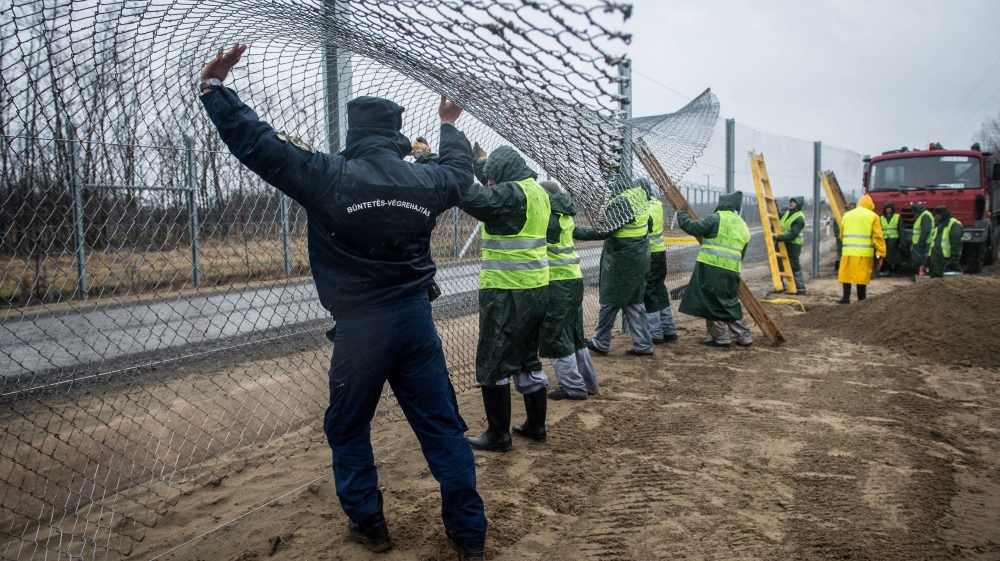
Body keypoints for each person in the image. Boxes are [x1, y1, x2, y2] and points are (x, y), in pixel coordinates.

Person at [198, 46, 486, 559]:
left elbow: (259, 144)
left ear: (352, 134)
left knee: (348, 426)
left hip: (361, 331)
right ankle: (469, 536)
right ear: (397, 135)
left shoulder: (327, 174)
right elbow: (461, 171)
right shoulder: (426, 180)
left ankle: (369, 524)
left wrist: (217, 92)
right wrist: (448, 124)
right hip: (416, 321)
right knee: (441, 427)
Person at [460, 146, 550, 451]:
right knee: (527, 357)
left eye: (491, 179)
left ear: (501, 177)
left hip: (506, 291)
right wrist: (481, 164)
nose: (489, 184)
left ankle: (498, 435)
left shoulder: (511, 195)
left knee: (494, 359)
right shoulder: (535, 190)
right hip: (536, 289)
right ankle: (536, 425)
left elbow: (473, 196)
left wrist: (440, 162)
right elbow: (493, 190)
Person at [574, 182, 655, 356]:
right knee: (633, 301)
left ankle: (601, 341)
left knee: (611, 300)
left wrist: (574, 231)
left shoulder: (622, 203)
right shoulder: (638, 196)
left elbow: (604, 230)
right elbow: (650, 222)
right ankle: (643, 343)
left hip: (623, 259)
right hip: (637, 255)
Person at [537, 180, 599, 400]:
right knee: (574, 334)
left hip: (557, 283)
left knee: (555, 335)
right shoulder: (564, 213)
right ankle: (588, 382)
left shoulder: (548, 217)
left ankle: (573, 387)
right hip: (573, 279)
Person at [677, 192, 753, 348]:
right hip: (732, 270)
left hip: (711, 268)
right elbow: (741, 253)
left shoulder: (717, 218)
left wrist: (682, 215)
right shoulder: (742, 225)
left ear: (723, 203)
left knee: (710, 301)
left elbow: (693, 227)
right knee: (728, 302)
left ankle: (722, 337)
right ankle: (743, 336)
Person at [641, 182, 678, 344]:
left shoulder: (644, 209)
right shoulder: (656, 204)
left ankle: (655, 333)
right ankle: (668, 329)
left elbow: (643, 229)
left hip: (649, 255)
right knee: (659, 289)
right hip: (660, 253)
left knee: (649, 292)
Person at [836, 195, 886, 304]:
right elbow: (877, 236)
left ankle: (845, 298)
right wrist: (880, 252)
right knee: (861, 276)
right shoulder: (873, 216)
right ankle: (861, 299)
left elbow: (842, 235)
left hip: (848, 251)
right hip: (863, 253)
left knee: (846, 275)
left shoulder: (847, 215)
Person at [774, 196, 807, 294]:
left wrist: (779, 238)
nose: (792, 203)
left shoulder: (799, 218)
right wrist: (774, 205)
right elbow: (778, 216)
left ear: (798, 205)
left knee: (794, 264)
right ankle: (781, 286)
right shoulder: (787, 213)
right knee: (780, 263)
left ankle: (800, 288)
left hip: (793, 244)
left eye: (794, 202)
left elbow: (793, 235)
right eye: (791, 202)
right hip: (784, 242)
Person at [927, 206, 964, 278]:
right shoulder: (939, 225)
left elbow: (956, 243)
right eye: (934, 214)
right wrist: (928, 257)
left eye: (937, 214)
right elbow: (933, 243)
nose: (935, 217)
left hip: (946, 260)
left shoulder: (954, 225)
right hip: (936, 259)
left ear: (943, 214)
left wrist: (954, 258)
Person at [878, 202, 905, 276]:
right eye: (887, 208)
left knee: (896, 257)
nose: (888, 209)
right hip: (885, 240)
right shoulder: (881, 218)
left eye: (889, 208)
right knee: (885, 257)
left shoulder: (897, 217)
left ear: (892, 209)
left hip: (895, 240)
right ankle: (887, 271)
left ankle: (897, 271)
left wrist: (902, 242)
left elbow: (901, 230)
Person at [910, 202, 934, 275]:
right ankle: (922, 273)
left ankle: (924, 274)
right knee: (922, 260)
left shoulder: (925, 216)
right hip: (922, 242)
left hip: (924, 242)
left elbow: (925, 231)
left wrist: (921, 242)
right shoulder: (924, 215)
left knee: (923, 260)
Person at [833, 201, 856, 273]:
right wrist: (837, 234)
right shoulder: (843, 216)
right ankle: (838, 268)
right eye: (850, 208)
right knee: (840, 253)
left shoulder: (856, 217)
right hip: (842, 238)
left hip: (851, 239)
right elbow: (836, 225)